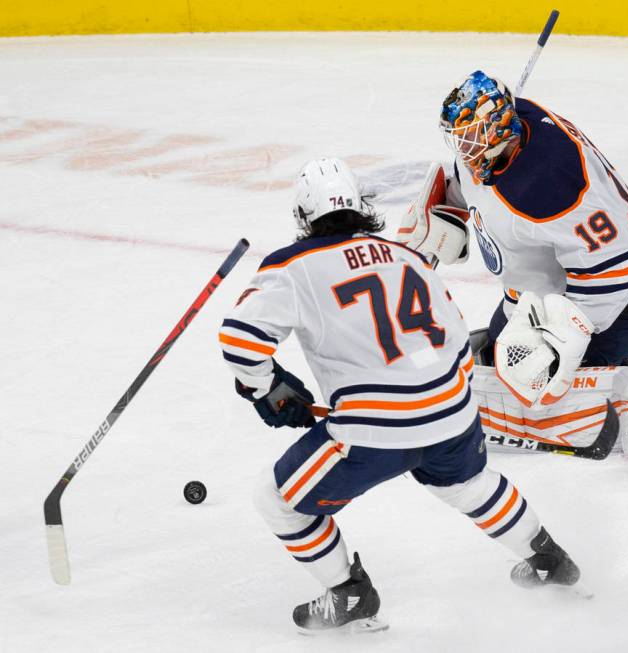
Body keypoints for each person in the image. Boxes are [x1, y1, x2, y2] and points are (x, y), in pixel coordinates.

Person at [219, 157, 586, 634]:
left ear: (304, 217)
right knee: (466, 484)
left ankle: (349, 593)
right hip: (453, 412)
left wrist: (264, 389)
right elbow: (457, 341)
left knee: (278, 499)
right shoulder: (408, 256)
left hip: (374, 431)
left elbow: (241, 340)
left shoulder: (292, 267)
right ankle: (548, 561)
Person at [397, 70, 628, 456]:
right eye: (458, 138)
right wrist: (447, 204)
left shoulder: (553, 182)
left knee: (530, 384)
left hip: (626, 299)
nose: (464, 148)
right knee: (490, 363)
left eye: (471, 136)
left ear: (498, 128)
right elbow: (473, 180)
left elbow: (617, 269)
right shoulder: (505, 137)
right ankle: (601, 368)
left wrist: (562, 340)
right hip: (540, 297)